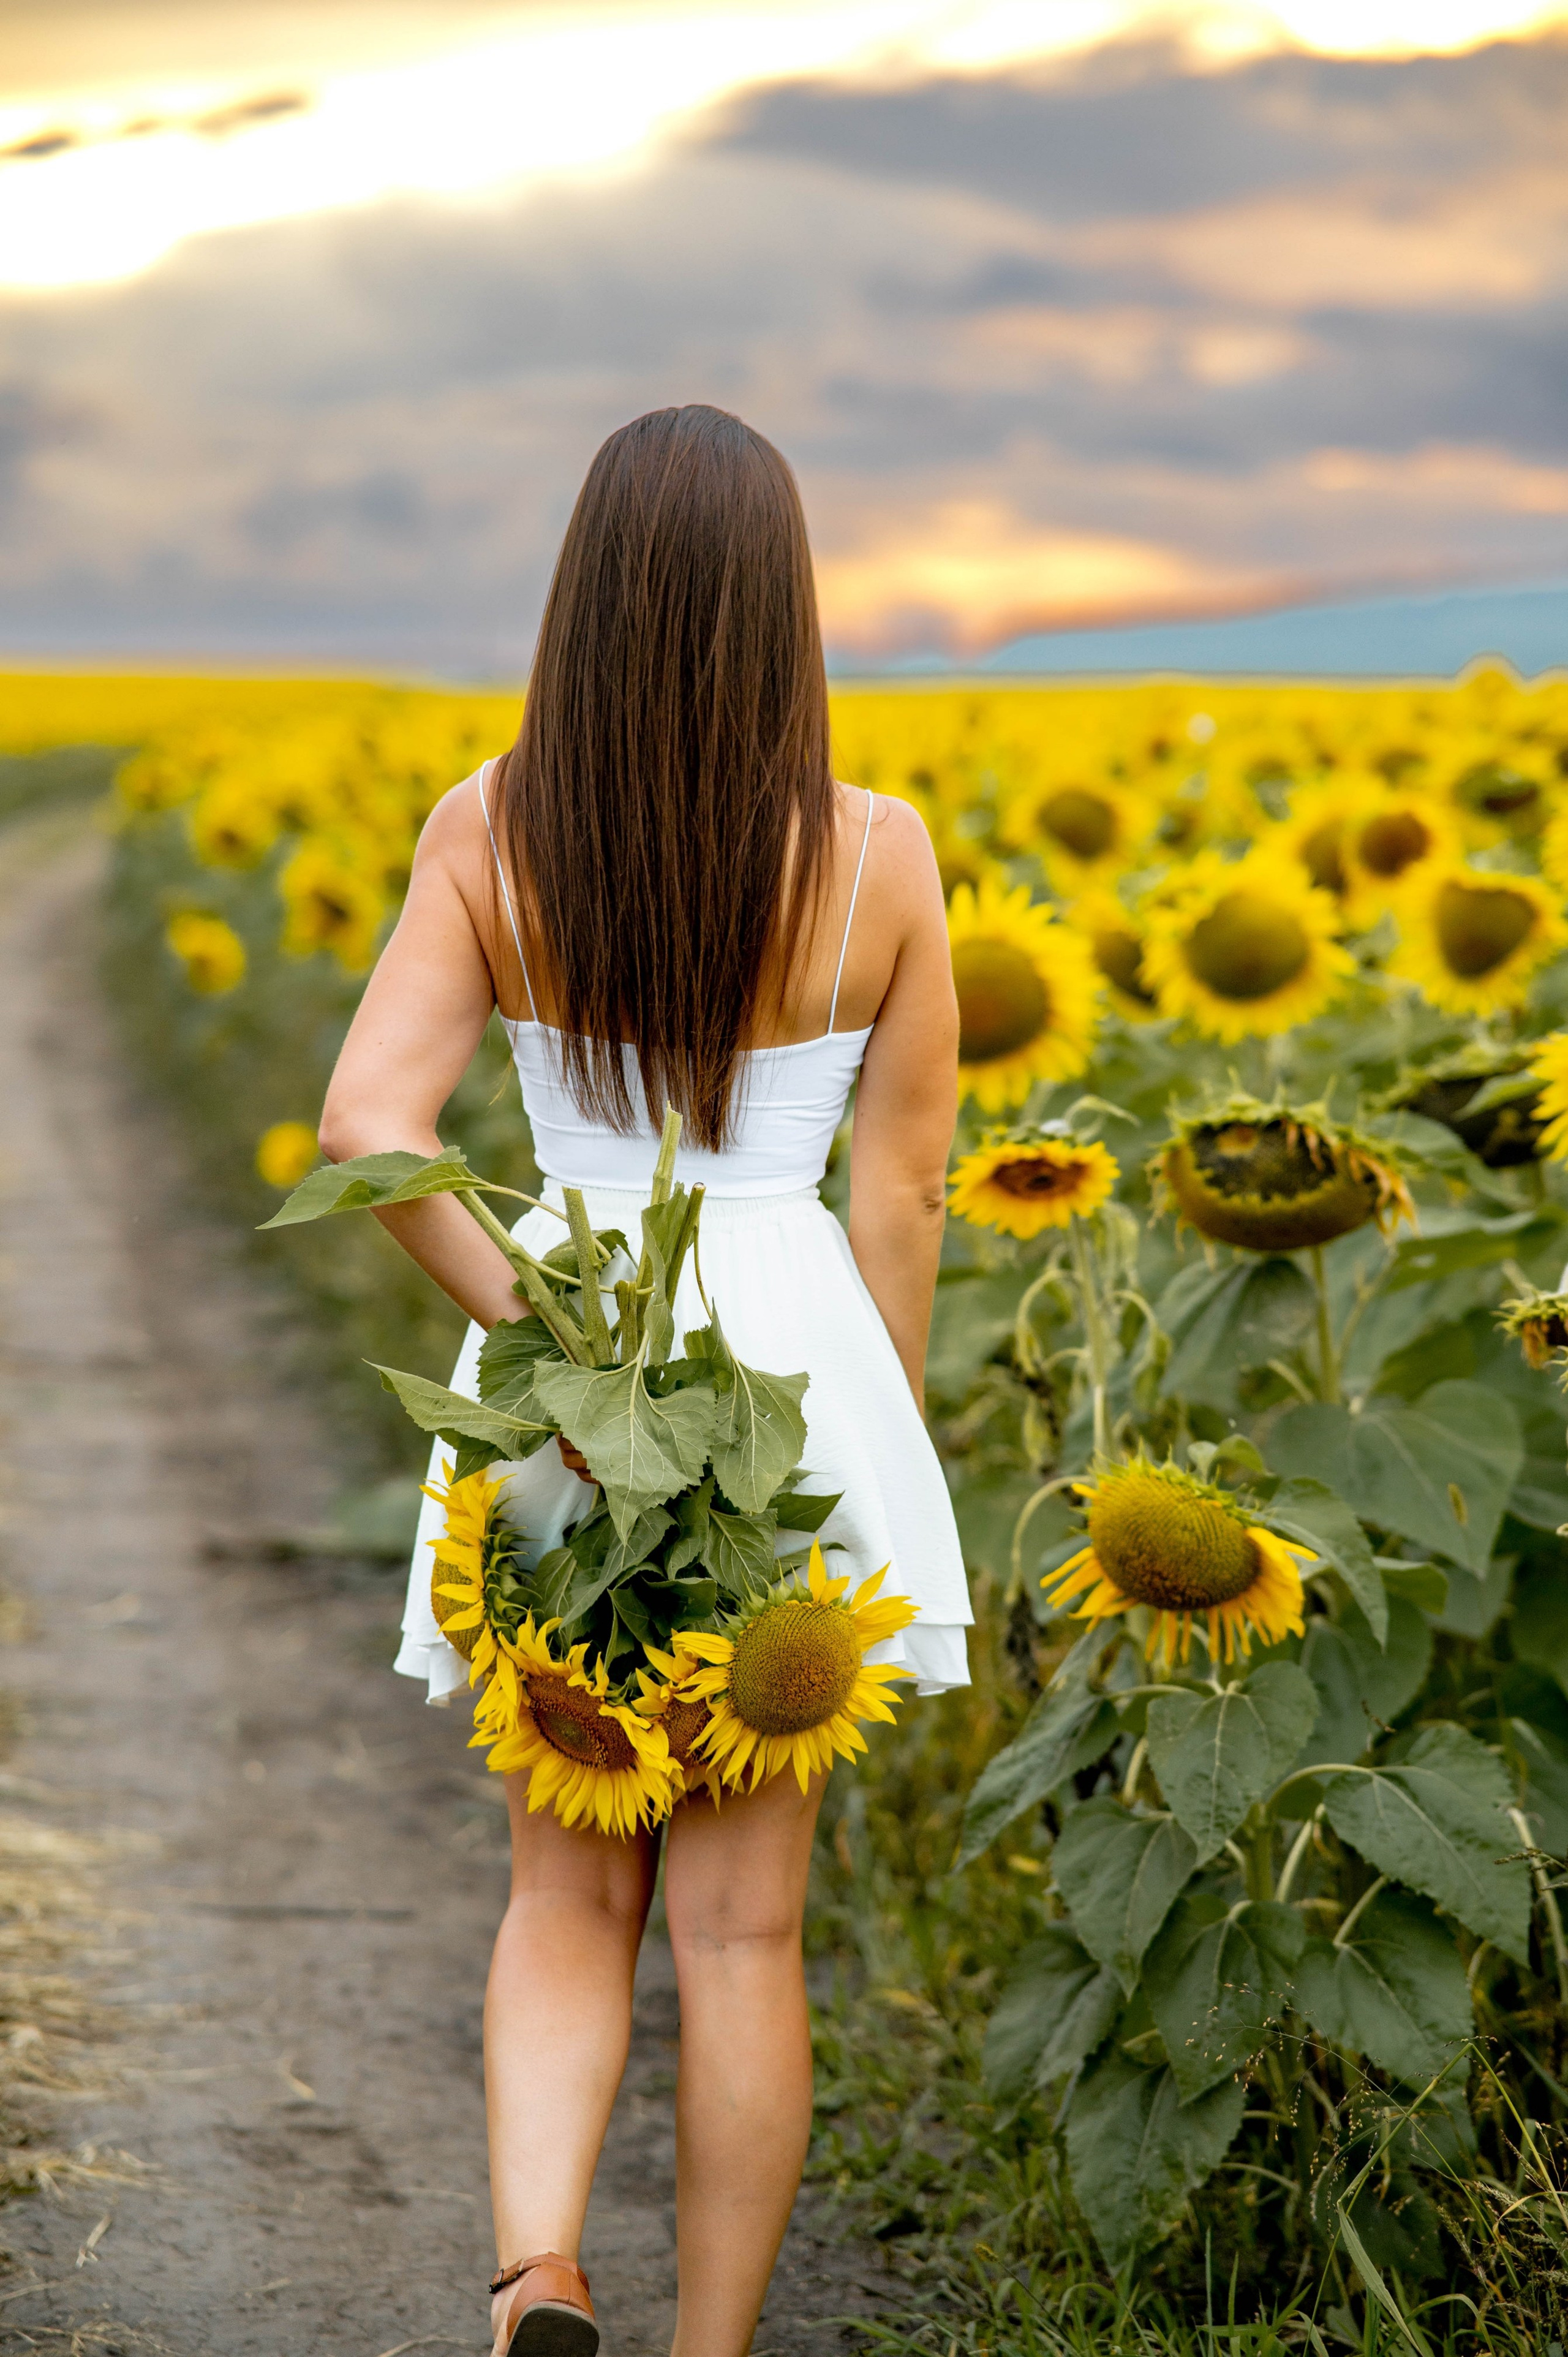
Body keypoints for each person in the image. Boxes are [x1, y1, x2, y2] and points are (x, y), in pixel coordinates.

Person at [317, 404, 970, 2357]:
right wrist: (880, 1447)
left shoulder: (491, 827)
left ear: (582, 597)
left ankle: (540, 2272)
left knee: (564, 1895)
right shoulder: (877, 860)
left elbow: (365, 1122)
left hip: (563, 1410)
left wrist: (548, 1346)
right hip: (798, 1410)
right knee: (747, 1934)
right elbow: (909, 1193)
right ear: (787, 611)